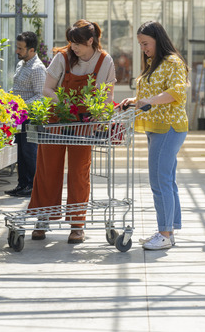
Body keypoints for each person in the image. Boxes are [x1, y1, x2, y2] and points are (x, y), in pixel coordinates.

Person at [28, 19, 116, 244]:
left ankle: (77, 225)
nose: (73, 48)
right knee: (48, 169)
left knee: (79, 172)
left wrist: (99, 116)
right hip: (57, 118)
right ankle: (43, 219)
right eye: (70, 43)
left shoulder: (105, 62)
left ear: (90, 40)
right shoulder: (63, 57)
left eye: (78, 43)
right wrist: (63, 104)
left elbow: (106, 98)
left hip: (83, 123)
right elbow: (47, 89)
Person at [118, 21, 188, 250]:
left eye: (146, 43)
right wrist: (135, 101)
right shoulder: (153, 63)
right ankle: (169, 229)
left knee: (159, 180)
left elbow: (176, 92)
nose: (143, 48)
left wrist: (149, 101)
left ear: (158, 39)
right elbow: (149, 94)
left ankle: (164, 233)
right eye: (140, 44)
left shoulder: (173, 63)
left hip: (168, 126)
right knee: (166, 179)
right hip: (156, 126)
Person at [7, 31, 47, 198]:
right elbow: (19, 89)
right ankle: (22, 184)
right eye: (17, 47)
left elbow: (41, 95)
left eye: (20, 48)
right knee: (21, 151)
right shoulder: (21, 64)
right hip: (20, 116)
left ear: (31, 50)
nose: (17, 51)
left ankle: (33, 186)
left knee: (30, 152)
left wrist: (21, 105)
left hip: (32, 117)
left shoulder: (37, 69)